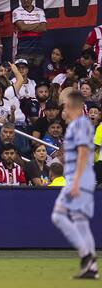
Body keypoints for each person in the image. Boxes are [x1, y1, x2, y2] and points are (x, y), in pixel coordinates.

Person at [51, 90, 98, 279]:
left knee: (58, 216)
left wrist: (76, 182)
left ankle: (87, 256)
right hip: (81, 179)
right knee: (80, 221)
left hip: (77, 179)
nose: (62, 111)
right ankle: (91, 266)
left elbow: (82, 154)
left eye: (64, 107)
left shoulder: (79, 126)